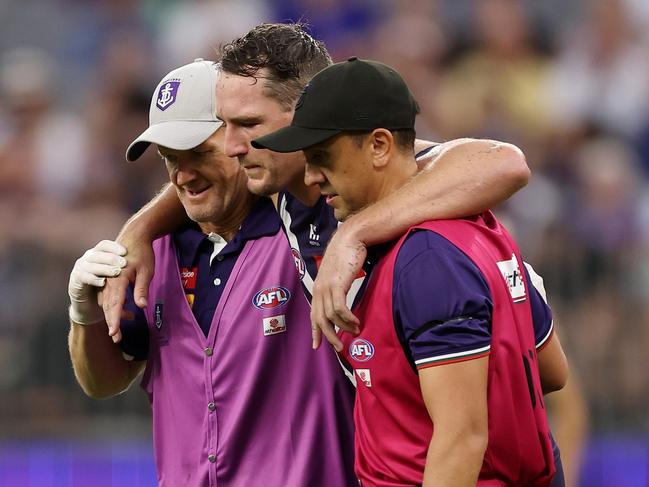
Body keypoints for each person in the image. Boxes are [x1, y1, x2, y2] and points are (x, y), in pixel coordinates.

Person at [100, 23, 532, 354]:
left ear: (308, 110)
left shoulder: (370, 183)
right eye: (224, 125)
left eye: (248, 125)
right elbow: (195, 177)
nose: (231, 147)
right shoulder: (276, 177)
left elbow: (504, 162)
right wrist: (137, 232)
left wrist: (354, 232)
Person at [252, 57, 569, 487]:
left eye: (322, 156)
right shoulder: (480, 225)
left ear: (379, 146)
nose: (311, 176)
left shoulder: (426, 260)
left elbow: (460, 439)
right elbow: (550, 370)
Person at [68, 59, 357, 487]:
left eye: (200, 153)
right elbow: (103, 381)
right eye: (170, 159)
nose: (183, 175)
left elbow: (470, 162)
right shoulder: (151, 253)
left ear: (242, 139)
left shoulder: (306, 225)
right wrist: (82, 314)